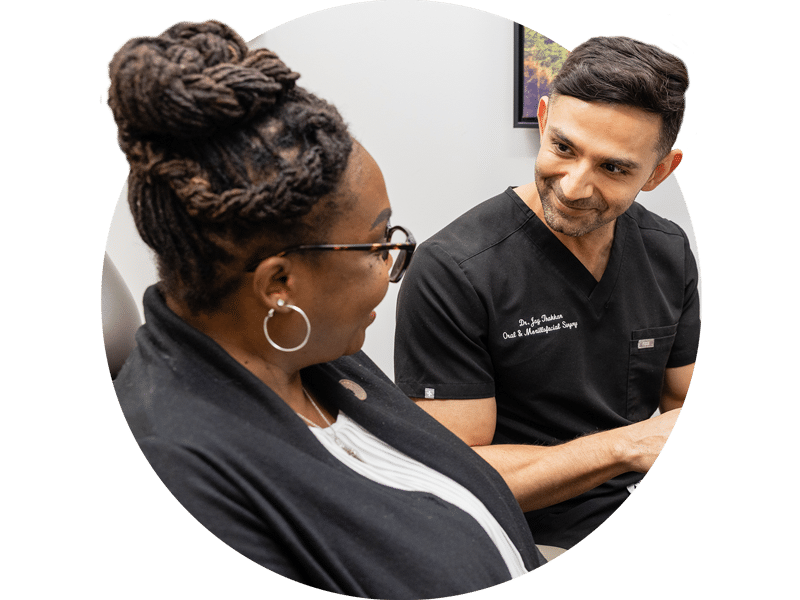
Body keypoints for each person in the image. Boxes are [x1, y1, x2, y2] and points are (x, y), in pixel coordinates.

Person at [106, 19, 546, 599]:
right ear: (279, 283)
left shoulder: (313, 354)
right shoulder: (183, 478)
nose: (392, 260)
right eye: (377, 242)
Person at [394, 35, 700, 551]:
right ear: (543, 121)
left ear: (660, 172)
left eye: (614, 167)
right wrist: (625, 447)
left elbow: (682, 403)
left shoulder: (667, 250)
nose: (575, 185)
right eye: (563, 147)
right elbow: (454, 479)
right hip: (518, 534)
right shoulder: (453, 270)